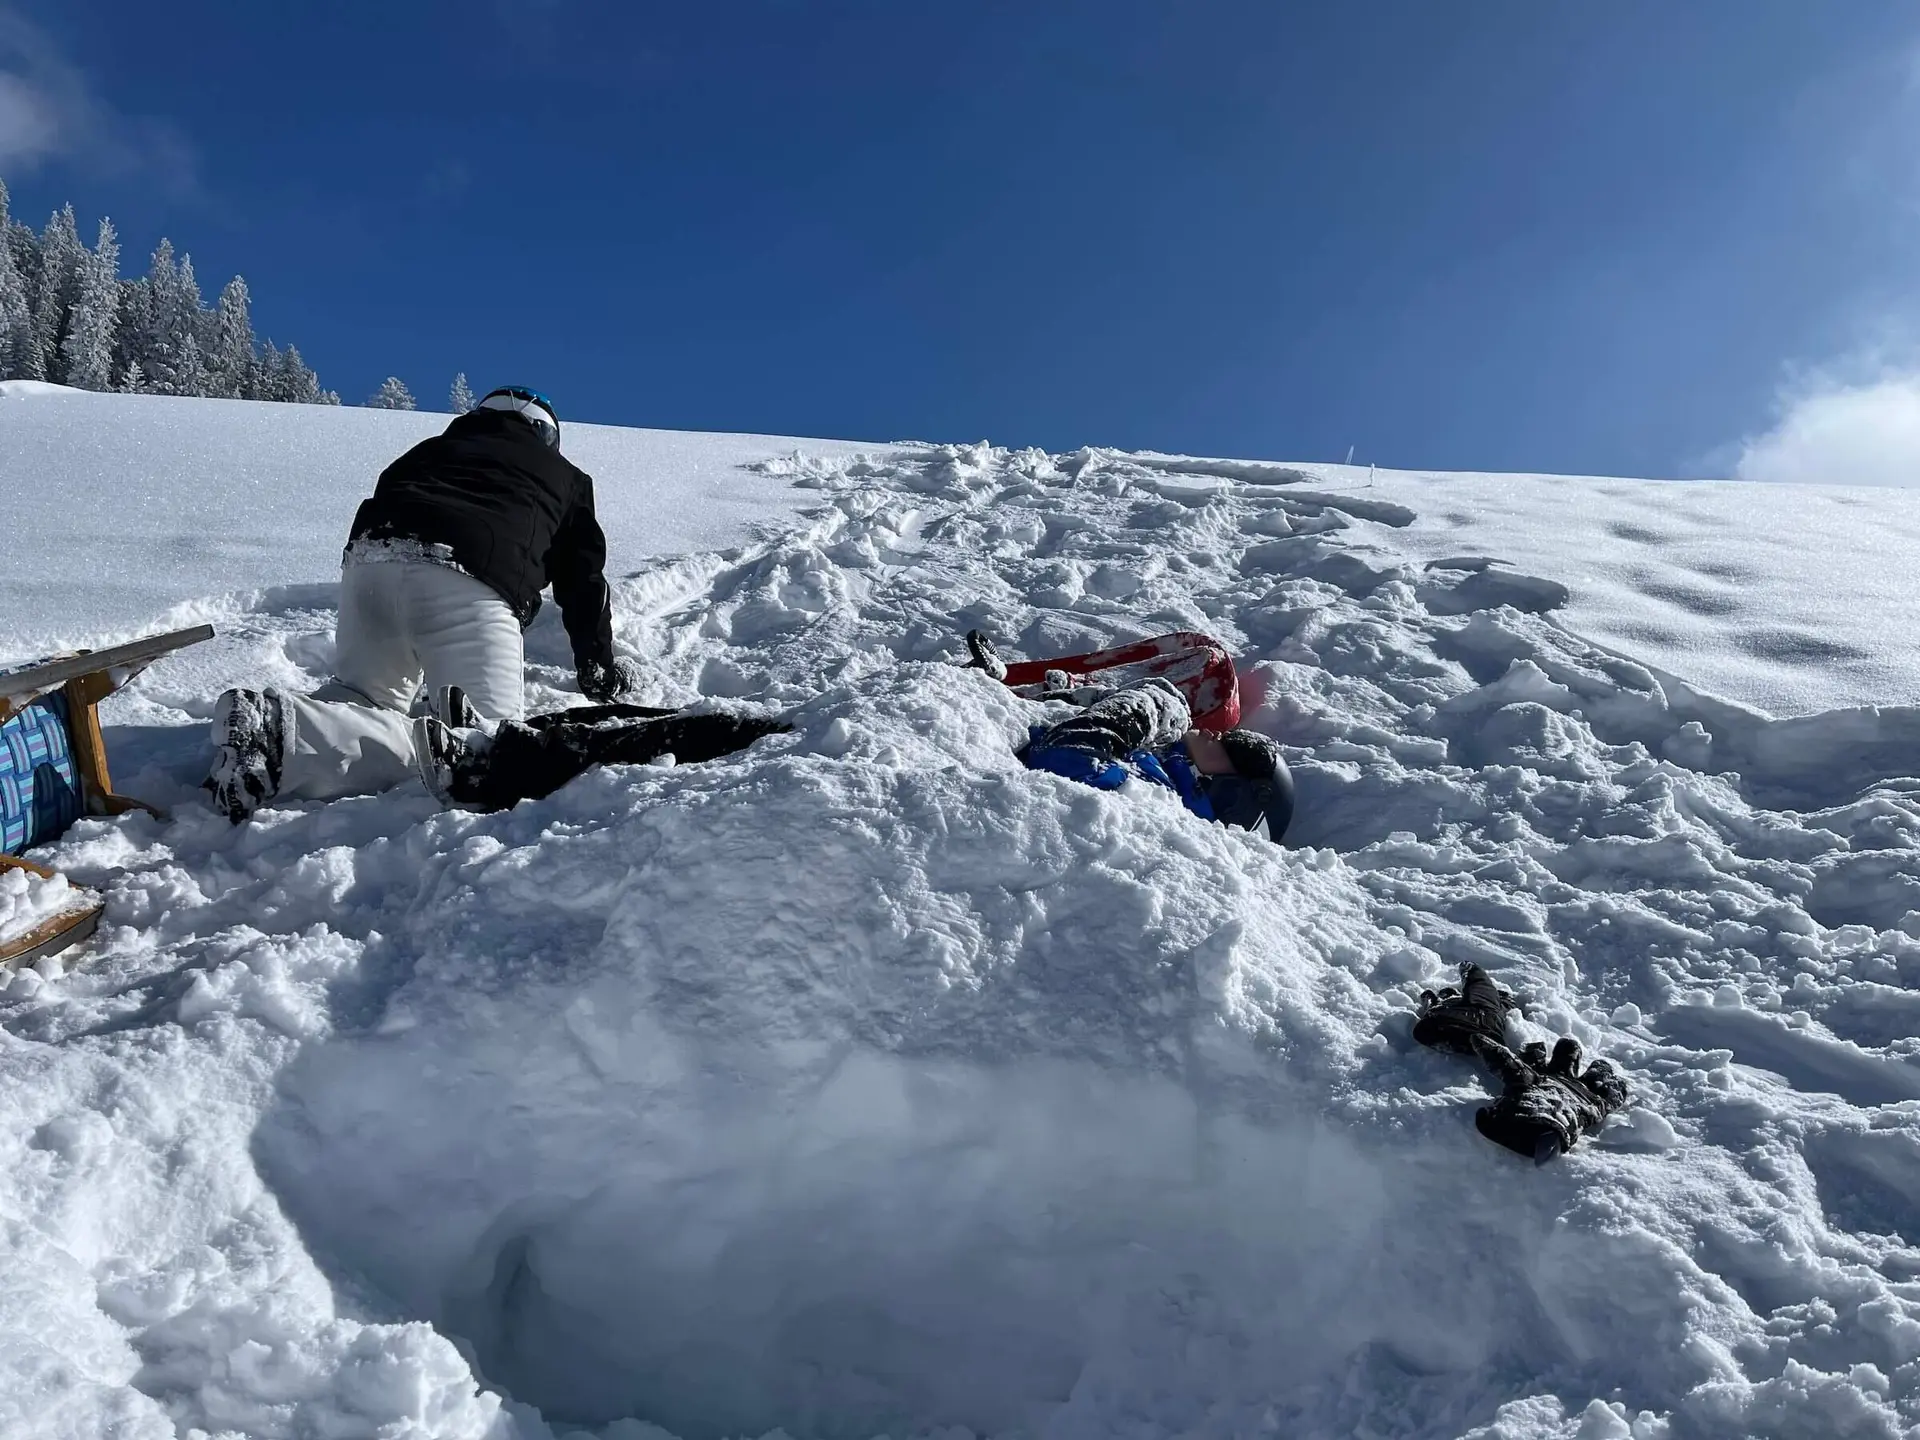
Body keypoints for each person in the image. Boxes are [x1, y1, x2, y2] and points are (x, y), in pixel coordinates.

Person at [206, 387, 642, 822]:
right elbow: (583, 581)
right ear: (546, 434)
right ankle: (279, 735)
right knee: (483, 748)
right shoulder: (564, 476)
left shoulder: (428, 450)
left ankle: (275, 734)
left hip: (368, 568)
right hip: (467, 578)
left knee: (362, 699)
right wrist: (597, 664)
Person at [1015, 674, 1293, 841]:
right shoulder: (1163, 769)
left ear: (1231, 795)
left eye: (1232, 748)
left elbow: (1065, 755)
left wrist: (1155, 706)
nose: (1215, 733)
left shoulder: (1155, 802)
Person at [963, 628, 1241, 730]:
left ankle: (1003, 688)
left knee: (1087, 700)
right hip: (1201, 694)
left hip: (1195, 706)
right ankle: (1007, 680)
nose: (1211, 738)